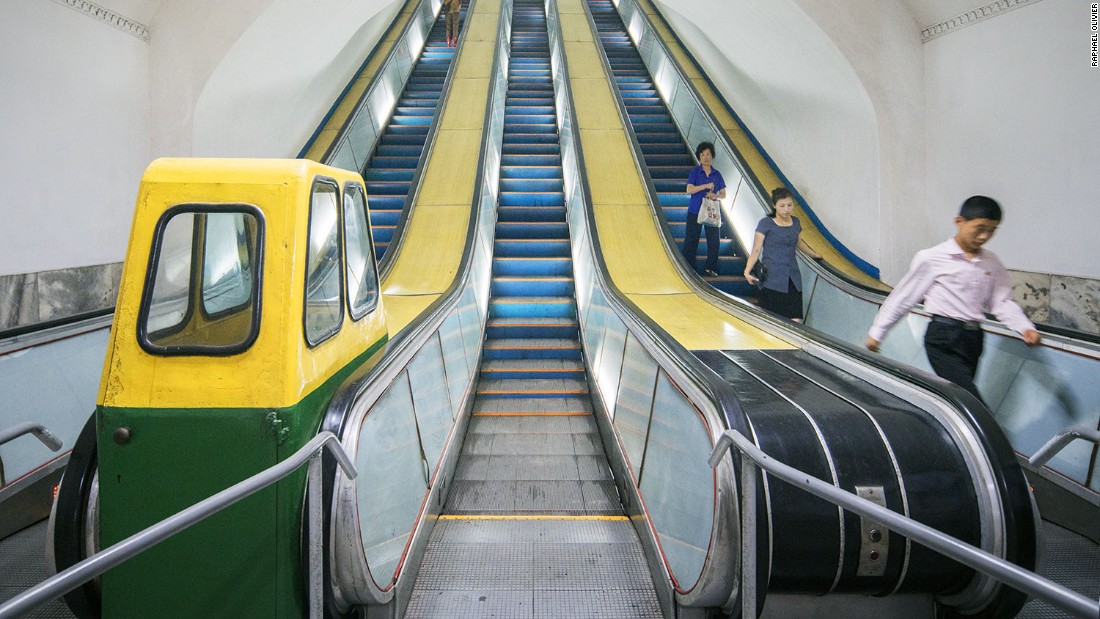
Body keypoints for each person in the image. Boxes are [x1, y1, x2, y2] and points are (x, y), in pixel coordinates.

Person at [865, 195, 1041, 403]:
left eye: (992, 230)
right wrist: (877, 333)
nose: (985, 236)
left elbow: (1000, 302)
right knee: (969, 401)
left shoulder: (991, 262)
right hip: (942, 337)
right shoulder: (932, 258)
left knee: (957, 401)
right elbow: (904, 297)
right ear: (960, 222)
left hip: (973, 339)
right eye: (980, 228)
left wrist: (1025, 327)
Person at [743, 187, 821, 322]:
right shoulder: (765, 224)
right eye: (782, 206)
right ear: (774, 206)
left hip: (792, 278)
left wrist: (814, 255)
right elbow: (756, 249)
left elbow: (799, 243)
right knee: (771, 320)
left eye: (790, 205)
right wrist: (747, 271)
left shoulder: (795, 222)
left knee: (795, 320)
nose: (786, 209)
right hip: (772, 278)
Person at [683, 142, 726, 277]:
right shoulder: (695, 172)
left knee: (714, 241)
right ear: (699, 157)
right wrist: (705, 186)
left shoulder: (717, 174)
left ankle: (710, 268)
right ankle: (688, 267)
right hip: (695, 210)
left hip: (711, 212)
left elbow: (724, 194)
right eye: (702, 155)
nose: (705, 157)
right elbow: (689, 189)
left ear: (712, 156)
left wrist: (715, 195)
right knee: (691, 240)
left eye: (708, 154)